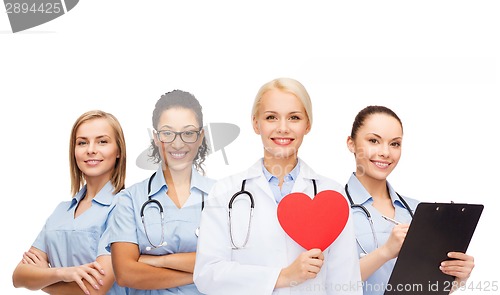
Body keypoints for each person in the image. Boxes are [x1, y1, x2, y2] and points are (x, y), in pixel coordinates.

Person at [193, 77, 361, 295]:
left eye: (294, 118)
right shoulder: (225, 193)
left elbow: (346, 284)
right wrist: (283, 277)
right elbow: (207, 275)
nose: (283, 128)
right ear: (256, 123)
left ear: (307, 125)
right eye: (271, 117)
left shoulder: (333, 195)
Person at [345, 105, 475, 294]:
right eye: (374, 140)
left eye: (395, 144)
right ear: (351, 143)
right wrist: (385, 252)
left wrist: (455, 279)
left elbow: (425, 286)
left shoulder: (418, 211)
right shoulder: (332, 208)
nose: (385, 152)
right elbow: (326, 283)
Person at [108, 90, 215, 294]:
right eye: (167, 133)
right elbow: (125, 274)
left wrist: (160, 261)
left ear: (200, 137)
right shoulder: (129, 200)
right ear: (155, 138)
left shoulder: (222, 195)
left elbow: (233, 263)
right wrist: (203, 271)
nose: (177, 143)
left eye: (188, 133)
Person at [12, 110, 128, 295]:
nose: (91, 149)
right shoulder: (61, 211)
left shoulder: (124, 208)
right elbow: (18, 277)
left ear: (119, 151)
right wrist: (63, 273)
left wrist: (43, 280)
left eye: (102, 141)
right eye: (82, 142)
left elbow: (95, 287)